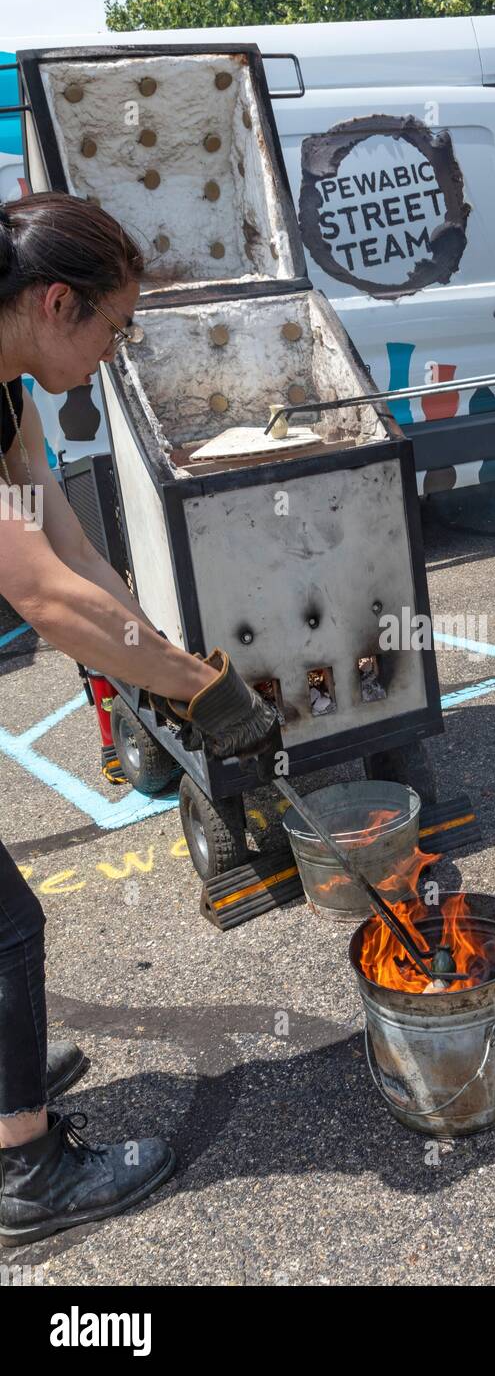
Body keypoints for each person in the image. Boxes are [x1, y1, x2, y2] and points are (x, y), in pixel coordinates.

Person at [0, 192, 280, 1246]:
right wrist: (198, 691)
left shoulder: (9, 397)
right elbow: (40, 594)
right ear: (55, 301)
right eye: (114, 327)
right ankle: (24, 1167)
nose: (116, 350)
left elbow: (71, 555)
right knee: (5, 926)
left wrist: (169, 664)